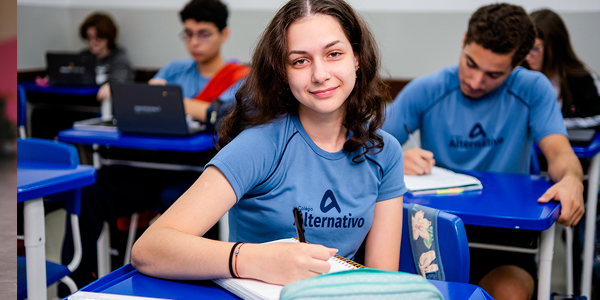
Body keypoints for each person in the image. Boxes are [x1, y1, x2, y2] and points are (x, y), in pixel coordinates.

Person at [131, 0, 405, 285]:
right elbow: (149, 249)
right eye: (300, 61)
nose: (320, 75)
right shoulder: (260, 145)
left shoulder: (384, 152)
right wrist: (254, 259)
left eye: (334, 54)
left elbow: (382, 281)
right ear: (283, 72)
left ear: (357, 58)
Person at [382, 3, 584, 300]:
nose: (476, 82)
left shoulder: (533, 89)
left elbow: (559, 153)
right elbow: (366, 147)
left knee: (509, 292)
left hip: (508, 239)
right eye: (471, 64)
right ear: (464, 41)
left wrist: (571, 179)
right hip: (433, 235)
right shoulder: (427, 90)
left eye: (493, 74)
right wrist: (395, 160)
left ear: (516, 66)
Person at [59, 0, 247, 295]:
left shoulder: (240, 77)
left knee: (175, 200)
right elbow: (142, 104)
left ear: (224, 34)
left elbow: (222, 115)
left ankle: (173, 289)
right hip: (148, 167)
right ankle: (76, 283)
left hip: (197, 174)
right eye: (188, 33)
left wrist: (172, 100)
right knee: (90, 192)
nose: (194, 42)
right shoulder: (175, 69)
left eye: (204, 34)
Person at [525, 9, 600, 130]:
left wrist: (554, 125)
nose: (528, 56)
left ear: (554, 47)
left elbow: (597, 118)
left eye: (535, 48)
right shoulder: (519, 75)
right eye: (525, 48)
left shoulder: (582, 79)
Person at [79, 12, 134, 100]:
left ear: (108, 37)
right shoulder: (83, 56)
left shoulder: (119, 58)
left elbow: (121, 80)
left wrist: (111, 86)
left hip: (107, 104)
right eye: (89, 37)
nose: (93, 42)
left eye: (98, 37)